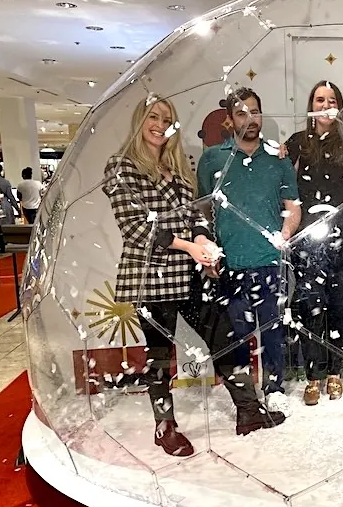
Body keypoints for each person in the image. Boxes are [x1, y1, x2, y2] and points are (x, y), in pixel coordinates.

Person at [104, 94, 284, 456]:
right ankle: (164, 426)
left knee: (224, 338)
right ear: (140, 121)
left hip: (192, 275)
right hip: (151, 278)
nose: (159, 124)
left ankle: (247, 410)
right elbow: (136, 228)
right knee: (158, 355)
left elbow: (198, 212)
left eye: (166, 118)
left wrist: (202, 239)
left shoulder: (181, 165)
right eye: (152, 116)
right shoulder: (120, 167)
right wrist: (189, 247)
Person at [197, 87, 302, 418]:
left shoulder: (277, 158)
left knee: (272, 332)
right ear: (230, 120)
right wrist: (206, 247)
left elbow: (293, 207)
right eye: (242, 113)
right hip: (230, 264)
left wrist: (285, 234)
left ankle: (274, 388)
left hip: (269, 263)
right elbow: (201, 211)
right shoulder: (212, 158)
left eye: (255, 111)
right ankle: (246, 396)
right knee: (237, 335)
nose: (250, 119)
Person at [285, 80, 343, 406]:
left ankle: (335, 372)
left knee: (338, 306)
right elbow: (282, 187)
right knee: (310, 306)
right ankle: (313, 375)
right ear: (311, 105)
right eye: (320, 99)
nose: (326, 104)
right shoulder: (297, 143)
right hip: (308, 242)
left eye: (332, 99)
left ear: (339, 107)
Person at [0, 163, 19, 253]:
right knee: (5, 226)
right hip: (4, 205)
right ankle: (4, 245)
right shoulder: (5, 182)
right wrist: (17, 208)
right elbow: (10, 196)